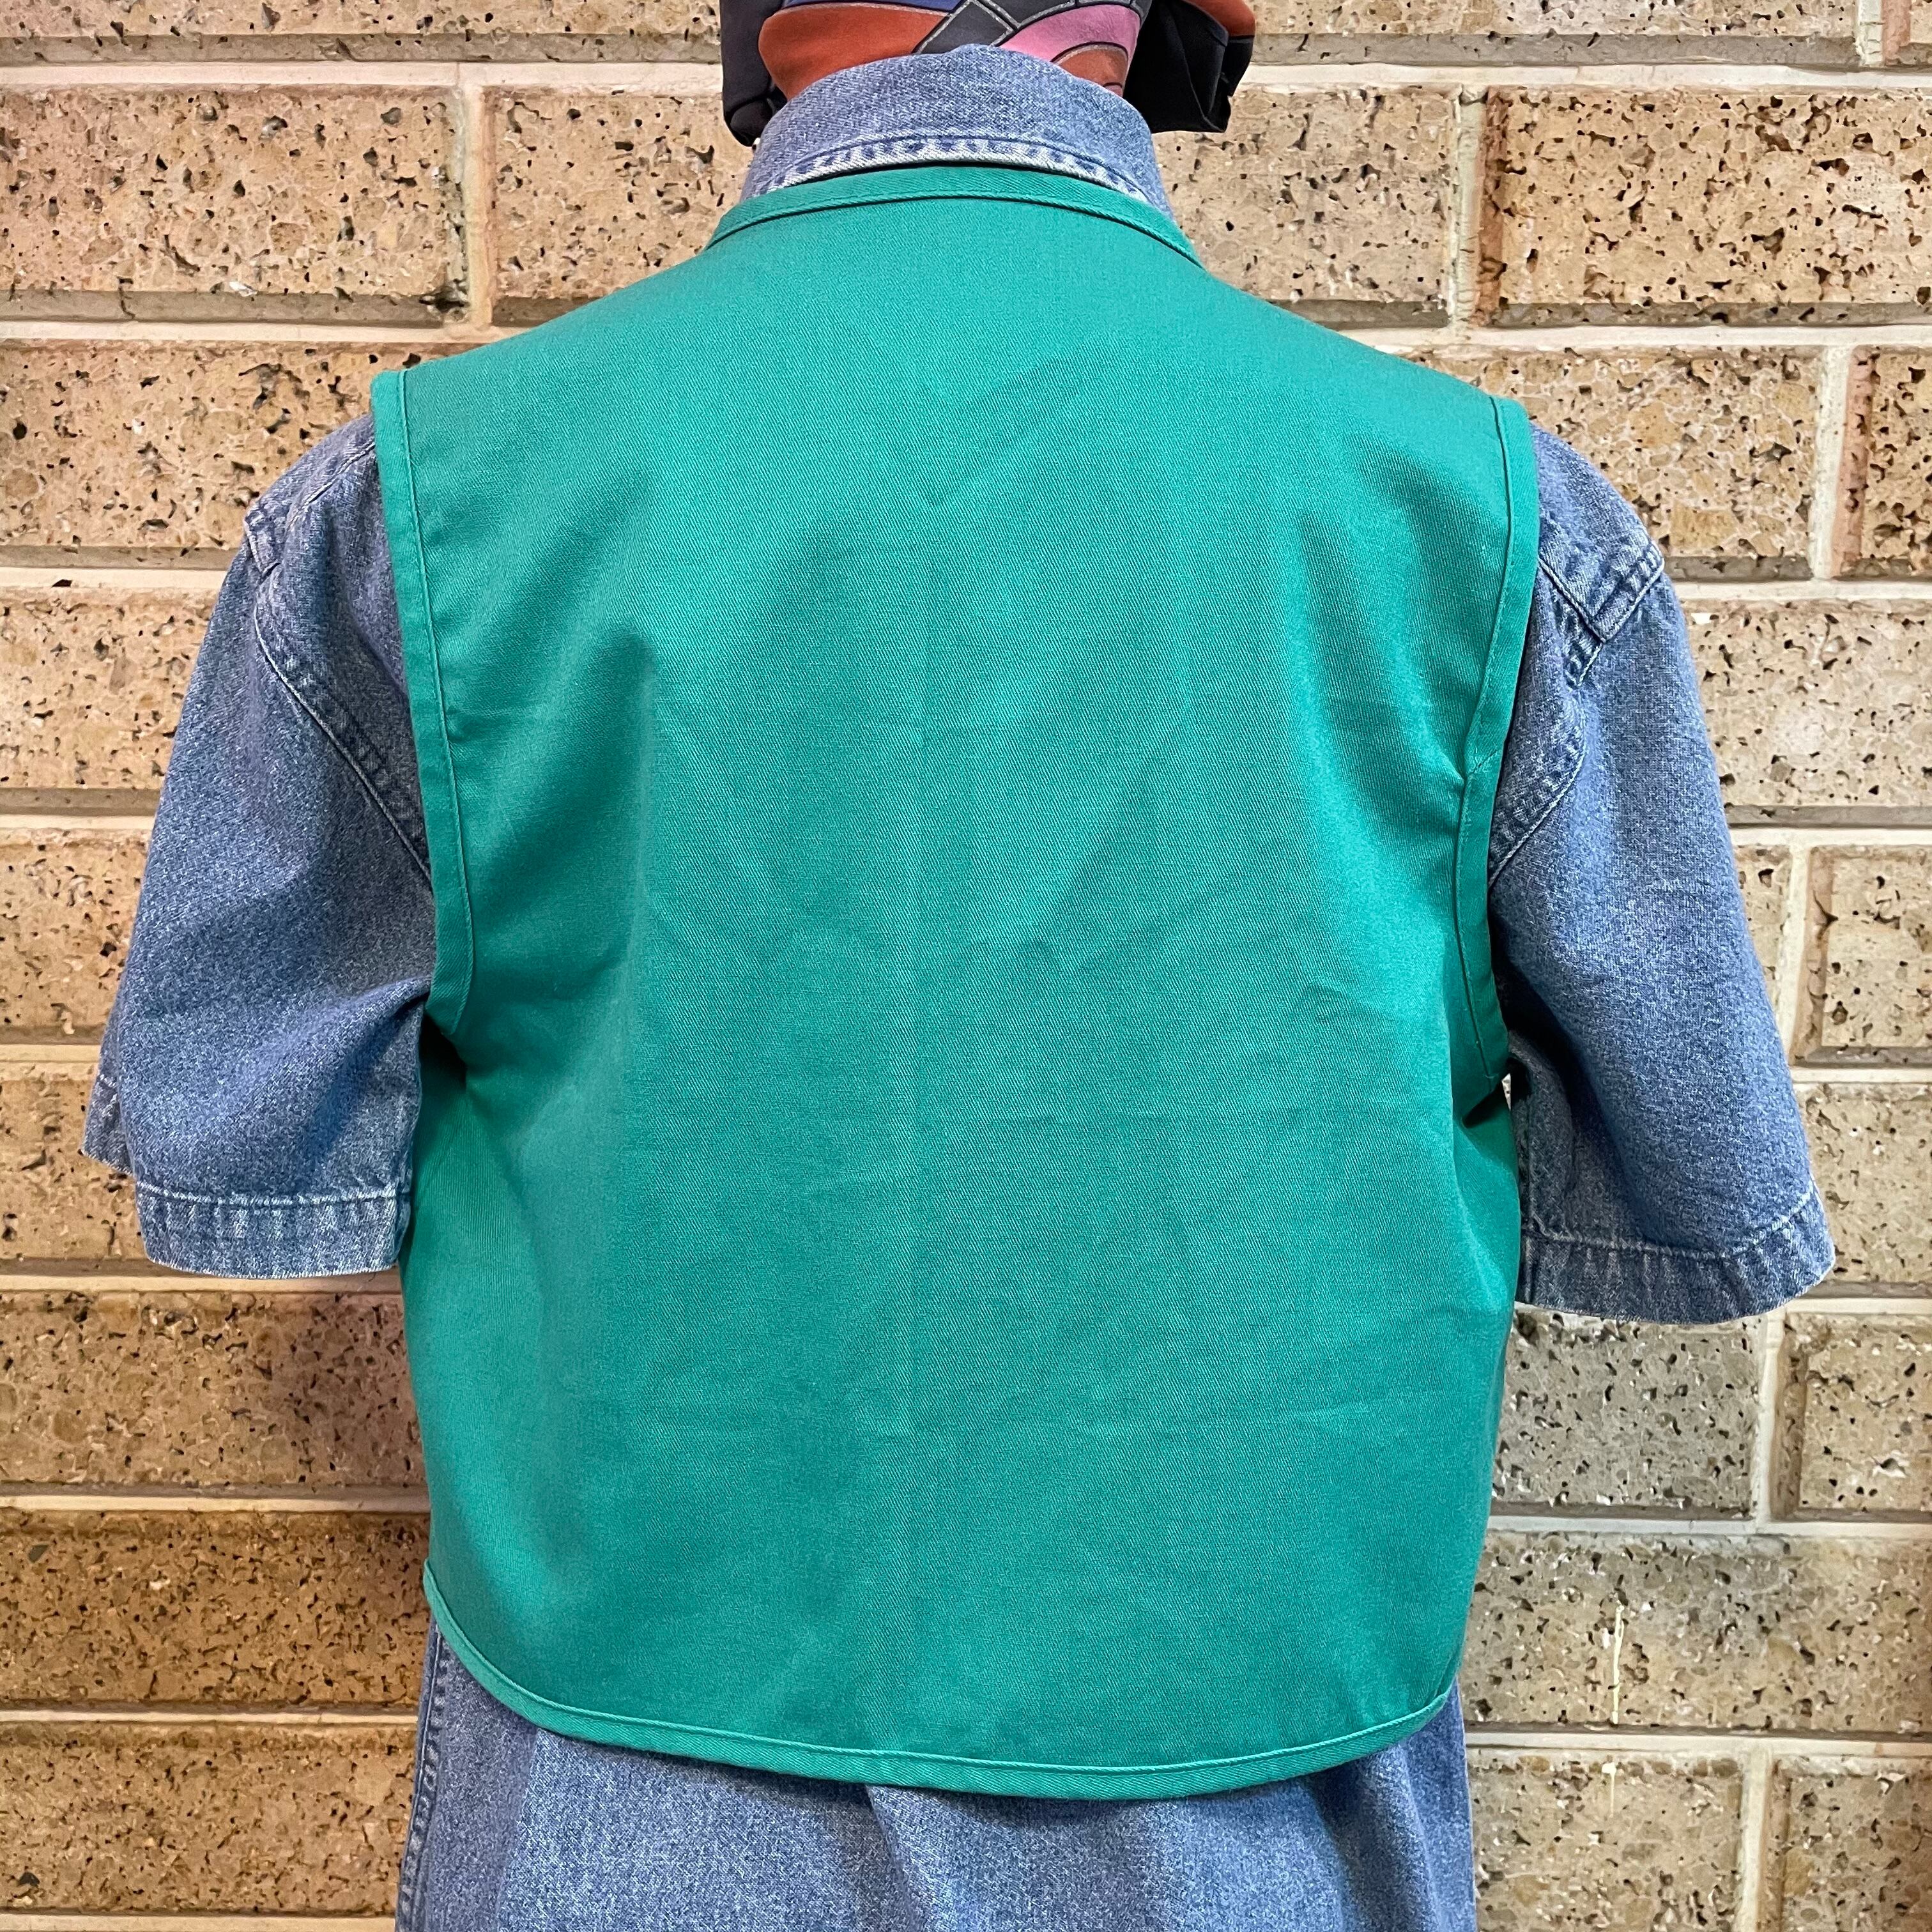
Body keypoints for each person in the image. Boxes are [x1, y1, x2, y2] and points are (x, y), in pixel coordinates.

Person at [83, 6, 1834, 1926]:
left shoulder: (417, 504)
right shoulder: (1490, 522)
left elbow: (241, 1141)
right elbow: (1690, 1178)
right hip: (1246, 1808)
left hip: (617, 1787)